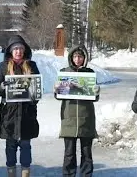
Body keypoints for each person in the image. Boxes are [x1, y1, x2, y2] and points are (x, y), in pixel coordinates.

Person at [0, 35, 40, 177]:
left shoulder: (32, 66)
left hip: (26, 113)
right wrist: (2, 87)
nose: (18, 51)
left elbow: (37, 89)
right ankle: (11, 173)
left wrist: (34, 97)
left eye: (20, 48)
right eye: (15, 49)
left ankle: (26, 173)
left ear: (24, 50)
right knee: (10, 146)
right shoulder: (3, 67)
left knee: (26, 145)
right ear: (10, 51)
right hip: (9, 114)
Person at [53, 45, 100, 177]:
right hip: (69, 117)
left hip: (86, 117)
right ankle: (68, 174)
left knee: (86, 152)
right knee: (69, 153)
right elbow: (59, 96)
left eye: (80, 56)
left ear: (84, 58)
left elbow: (94, 97)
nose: (78, 59)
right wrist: (56, 90)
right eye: (75, 56)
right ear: (71, 58)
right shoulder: (64, 72)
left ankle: (86, 174)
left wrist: (96, 92)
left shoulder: (90, 73)